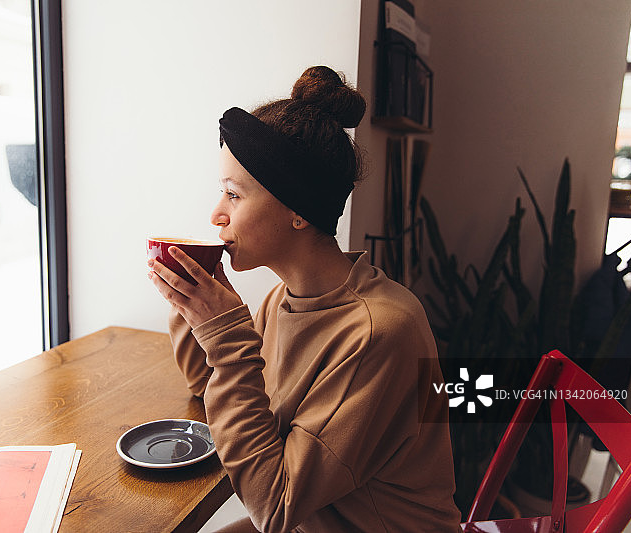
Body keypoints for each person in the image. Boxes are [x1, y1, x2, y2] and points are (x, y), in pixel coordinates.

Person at [148, 66, 461, 533]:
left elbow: (274, 506)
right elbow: (207, 388)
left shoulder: (378, 331)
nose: (216, 215)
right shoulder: (284, 301)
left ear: (297, 210)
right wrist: (193, 308)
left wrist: (227, 339)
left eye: (234, 195)